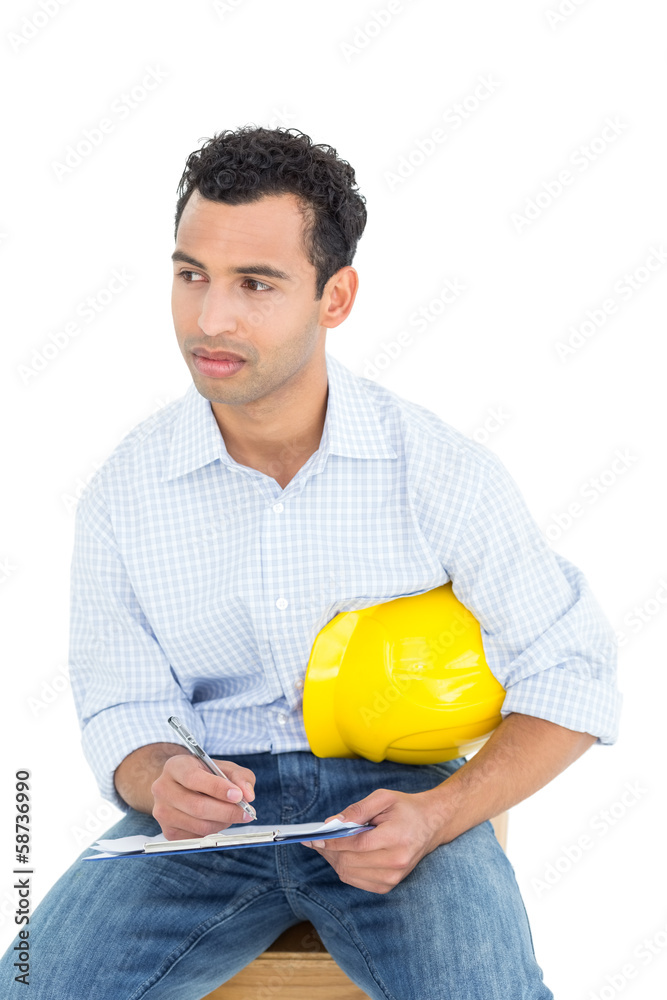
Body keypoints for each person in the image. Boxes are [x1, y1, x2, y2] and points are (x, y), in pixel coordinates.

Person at [1, 125, 621, 999]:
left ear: (335, 297)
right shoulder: (127, 489)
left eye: (255, 284)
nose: (210, 318)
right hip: (210, 814)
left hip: (399, 798)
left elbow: (573, 672)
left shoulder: (435, 469)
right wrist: (156, 778)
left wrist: (438, 814)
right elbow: (120, 698)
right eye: (191, 276)